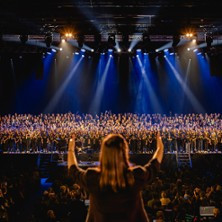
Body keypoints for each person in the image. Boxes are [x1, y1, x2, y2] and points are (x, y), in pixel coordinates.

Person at [68, 132, 164, 222]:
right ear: (125, 152)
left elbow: (73, 170)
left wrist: (71, 149)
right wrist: (160, 146)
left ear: (103, 153)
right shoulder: (135, 176)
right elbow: (154, 165)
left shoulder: (93, 178)